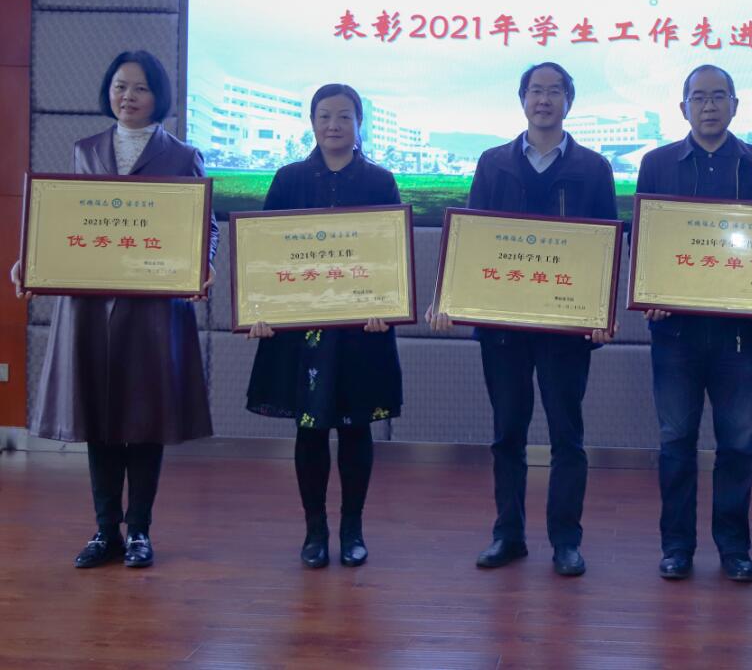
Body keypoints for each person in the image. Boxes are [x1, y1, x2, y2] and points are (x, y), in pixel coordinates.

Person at [11, 50, 216, 569]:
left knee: (146, 416)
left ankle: (140, 530)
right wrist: (30, 261)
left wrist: (203, 263)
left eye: (141, 88)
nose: (128, 96)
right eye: (120, 86)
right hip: (90, 305)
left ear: (159, 96)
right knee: (99, 414)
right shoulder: (85, 150)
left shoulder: (182, 155)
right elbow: (64, 222)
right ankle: (106, 531)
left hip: (154, 308)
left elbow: (204, 225)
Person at [429, 62, 617, 577]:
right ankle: (507, 535)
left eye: (555, 91)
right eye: (536, 90)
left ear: (569, 102)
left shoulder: (594, 168)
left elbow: (607, 243)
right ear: (522, 99)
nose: (544, 99)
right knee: (507, 434)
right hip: (503, 327)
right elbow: (470, 239)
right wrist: (449, 297)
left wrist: (601, 312)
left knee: (567, 438)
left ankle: (566, 541)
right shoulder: (493, 163)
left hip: (566, 329)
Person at [245, 84, 403, 569]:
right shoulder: (289, 178)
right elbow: (264, 253)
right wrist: (259, 308)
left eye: (344, 116)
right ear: (312, 123)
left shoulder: (379, 180)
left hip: (362, 329)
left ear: (359, 123)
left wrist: (386, 304)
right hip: (301, 329)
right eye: (324, 116)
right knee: (309, 430)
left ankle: (353, 529)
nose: (334, 125)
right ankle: (315, 531)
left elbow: (389, 255)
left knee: (356, 429)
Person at [636, 64, 752, 583]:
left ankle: (734, 548)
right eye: (699, 97)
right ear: (683, 108)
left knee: (739, 444)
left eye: (719, 96)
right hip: (674, 331)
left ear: (735, 105)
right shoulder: (657, 163)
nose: (709, 106)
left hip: (739, 333)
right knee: (676, 443)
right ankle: (676, 547)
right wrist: (648, 289)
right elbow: (644, 239)